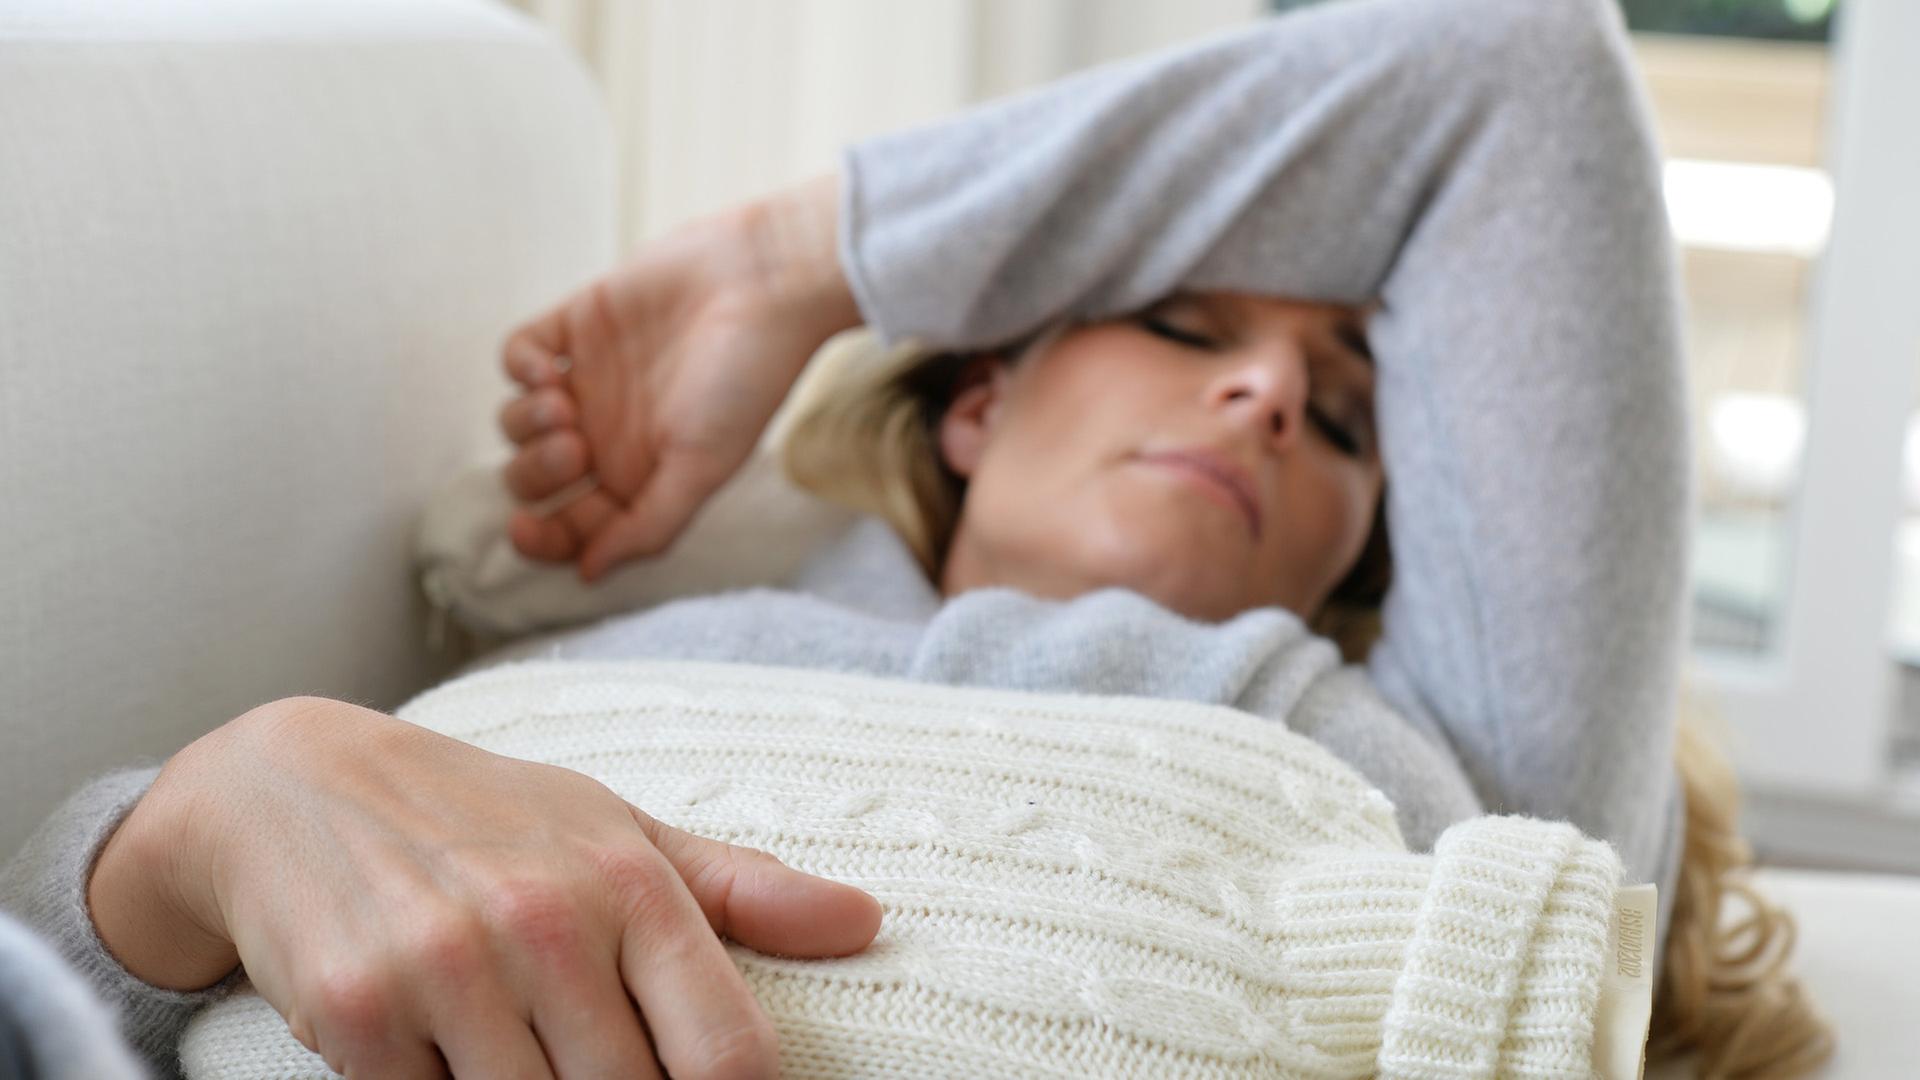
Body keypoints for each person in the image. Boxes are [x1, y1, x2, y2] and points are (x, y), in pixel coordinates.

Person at [0, 0, 1830, 1076]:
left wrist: (800, 261)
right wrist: (213, 814)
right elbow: (52, 989)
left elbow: (1506, 58)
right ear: (975, 401)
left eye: (1347, 418)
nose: (1272, 400)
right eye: (1188, 331)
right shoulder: (570, 670)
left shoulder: (1479, 767)